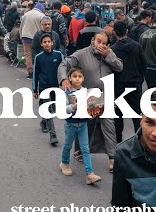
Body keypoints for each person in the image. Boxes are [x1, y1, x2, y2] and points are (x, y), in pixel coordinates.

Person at [57, 31, 123, 173]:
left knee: (109, 126)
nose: (101, 45)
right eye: (98, 41)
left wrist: (108, 55)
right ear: (92, 40)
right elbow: (64, 64)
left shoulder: (109, 54)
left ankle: (112, 158)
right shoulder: (81, 54)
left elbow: (119, 67)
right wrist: (63, 79)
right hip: (87, 98)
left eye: (104, 43)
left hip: (106, 97)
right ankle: (79, 152)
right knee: (87, 125)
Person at [60, 66, 102, 185]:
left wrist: (93, 112)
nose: (77, 79)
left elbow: (91, 107)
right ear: (69, 78)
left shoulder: (86, 92)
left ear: (83, 78)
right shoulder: (66, 92)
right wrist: (74, 107)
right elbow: (64, 109)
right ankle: (64, 163)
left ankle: (90, 174)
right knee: (68, 146)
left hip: (83, 124)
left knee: (85, 149)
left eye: (80, 76)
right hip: (71, 124)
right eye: (74, 76)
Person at [33, 33, 64, 145]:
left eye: (48, 42)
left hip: (55, 87)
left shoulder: (59, 55)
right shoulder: (38, 57)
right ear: (41, 44)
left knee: (52, 109)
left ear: (52, 43)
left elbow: (63, 71)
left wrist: (64, 84)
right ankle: (53, 135)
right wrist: (34, 89)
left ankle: (43, 122)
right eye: (44, 42)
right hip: (44, 87)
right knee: (49, 110)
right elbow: (35, 74)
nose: (47, 44)